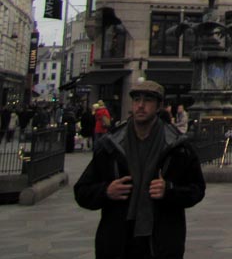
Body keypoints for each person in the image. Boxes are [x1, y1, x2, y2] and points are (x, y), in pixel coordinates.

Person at [74, 80, 205, 259]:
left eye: (148, 100)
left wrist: (170, 190)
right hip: (117, 241)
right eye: (136, 100)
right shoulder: (111, 146)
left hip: (161, 242)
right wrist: (106, 191)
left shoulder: (178, 148)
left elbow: (197, 189)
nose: (141, 106)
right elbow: (82, 191)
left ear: (159, 106)